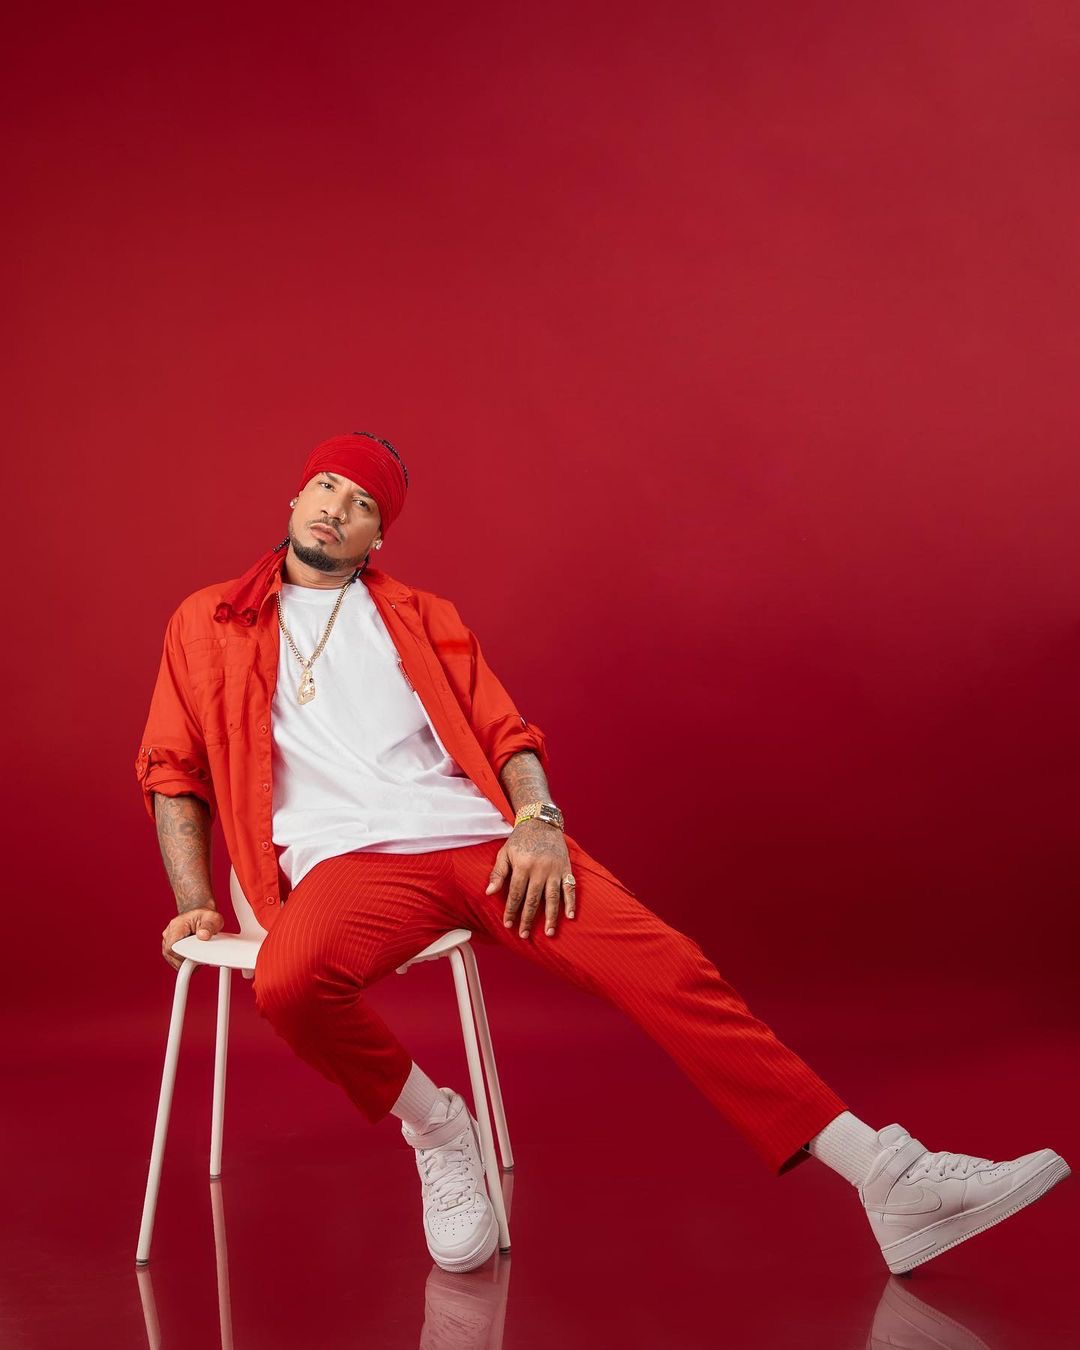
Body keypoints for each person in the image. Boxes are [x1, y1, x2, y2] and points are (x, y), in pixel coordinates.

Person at [137, 432, 1070, 1277]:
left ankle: (887, 1177)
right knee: (289, 982)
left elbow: (506, 735)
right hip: (352, 867)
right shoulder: (207, 621)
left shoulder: (422, 615)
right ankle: (439, 1129)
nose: (337, 508)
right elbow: (174, 770)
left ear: (378, 536)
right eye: (327, 488)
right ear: (297, 497)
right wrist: (194, 898)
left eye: (363, 502)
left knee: (669, 969)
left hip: (487, 845)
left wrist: (538, 822)